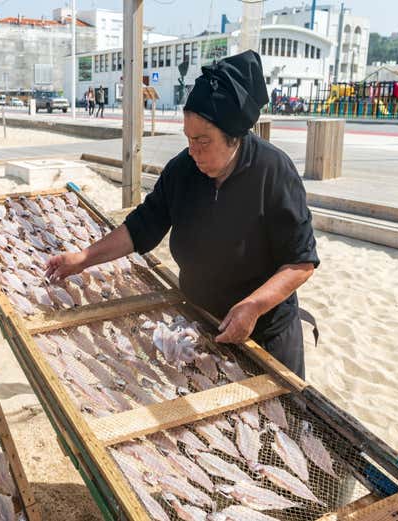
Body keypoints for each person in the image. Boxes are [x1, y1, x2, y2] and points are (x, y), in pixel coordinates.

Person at [46, 50, 318, 378]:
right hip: (199, 327)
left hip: (263, 332)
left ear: (234, 137)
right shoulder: (183, 170)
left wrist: (253, 306)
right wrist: (83, 258)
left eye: (203, 140)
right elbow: (141, 227)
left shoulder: (273, 171)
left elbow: (300, 263)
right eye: (189, 139)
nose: (193, 150)